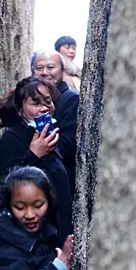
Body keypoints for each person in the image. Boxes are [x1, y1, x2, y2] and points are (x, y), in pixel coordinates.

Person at [0, 76, 72, 242]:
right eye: (35, 103)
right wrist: (34, 154)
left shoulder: (48, 135)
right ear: (20, 109)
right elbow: (3, 191)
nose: (44, 108)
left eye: (48, 102)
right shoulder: (12, 139)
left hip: (57, 238)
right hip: (32, 245)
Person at [31, 50, 79, 196]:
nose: (45, 72)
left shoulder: (70, 99)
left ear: (63, 70)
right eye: (39, 68)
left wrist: (36, 148)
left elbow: (68, 145)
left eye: (51, 67)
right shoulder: (28, 98)